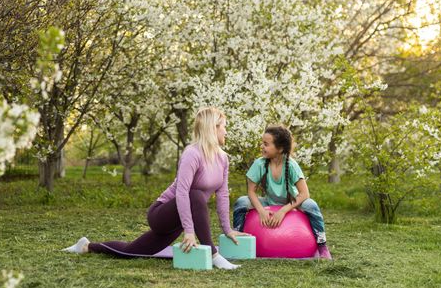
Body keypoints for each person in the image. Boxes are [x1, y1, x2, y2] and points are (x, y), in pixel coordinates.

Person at [63, 107, 248, 269]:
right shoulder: (192, 154)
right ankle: (214, 256)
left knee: (132, 251)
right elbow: (183, 192)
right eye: (224, 126)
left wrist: (227, 229)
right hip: (161, 214)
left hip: (180, 219)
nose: (226, 131)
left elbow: (223, 194)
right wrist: (189, 231)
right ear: (212, 128)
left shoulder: (223, 158)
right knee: (196, 194)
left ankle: (87, 246)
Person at [232, 125, 332, 259]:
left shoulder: (291, 165)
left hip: (291, 201)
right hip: (268, 201)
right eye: (262, 143)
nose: (262, 147)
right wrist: (261, 211)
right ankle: (238, 239)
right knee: (241, 202)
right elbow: (251, 192)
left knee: (311, 205)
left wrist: (283, 211)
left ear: (279, 148)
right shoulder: (259, 164)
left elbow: (304, 194)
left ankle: (322, 245)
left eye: (266, 144)